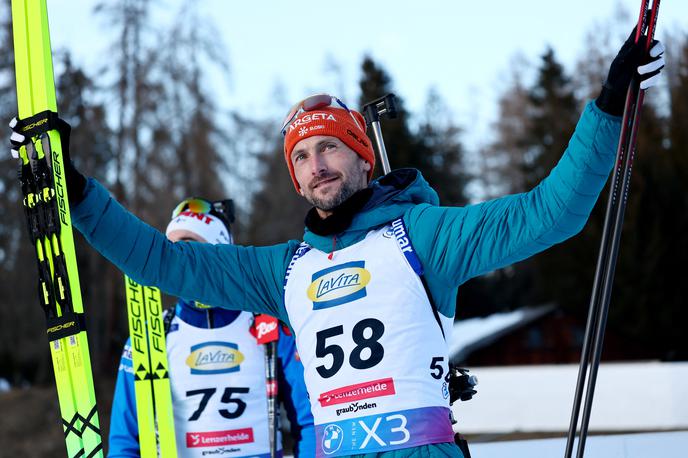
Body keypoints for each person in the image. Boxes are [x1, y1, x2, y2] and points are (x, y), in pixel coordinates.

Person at [9, 29, 665, 458]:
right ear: (294, 179)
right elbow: (162, 262)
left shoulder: (423, 237)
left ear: (362, 160)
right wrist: (73, 189)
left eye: (331, 148)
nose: (317, 164)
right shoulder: (283, 271)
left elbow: (550, 213)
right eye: (302, 157)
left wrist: (609, 104)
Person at [107, 198, 314, 457]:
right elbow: (125, 443)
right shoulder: (149, 336)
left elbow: (310, 422)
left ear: (220, 253)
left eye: (192, 250)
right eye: (172, 251)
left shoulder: (269, 326)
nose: (181, 263)